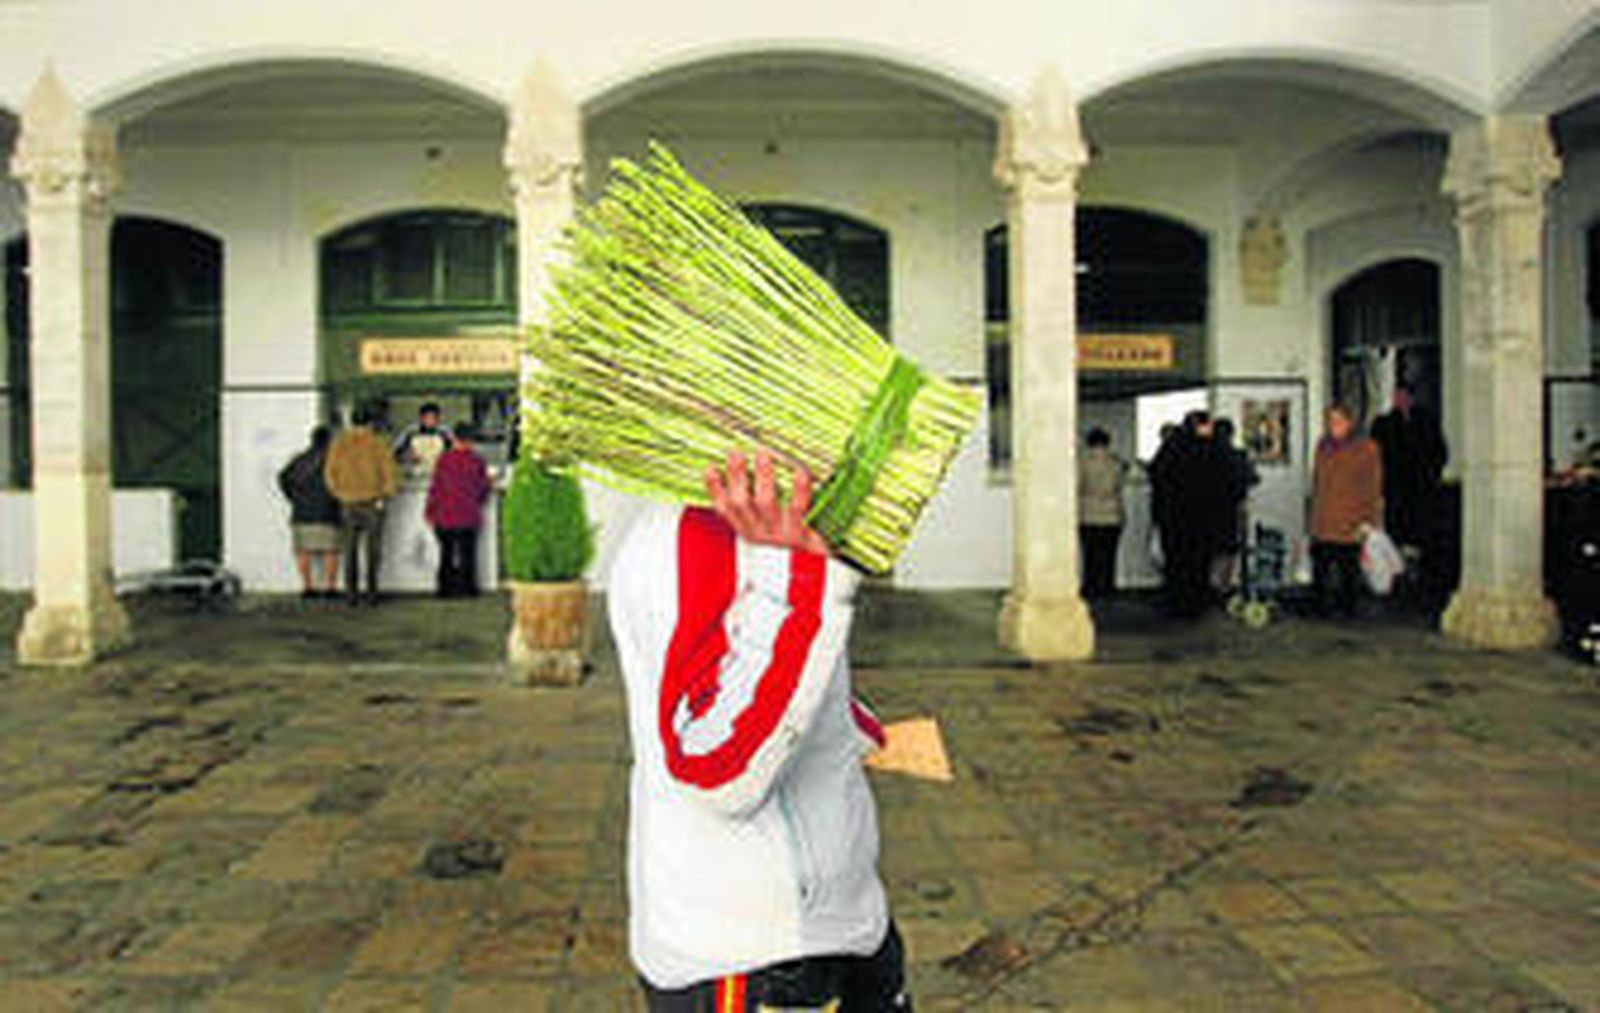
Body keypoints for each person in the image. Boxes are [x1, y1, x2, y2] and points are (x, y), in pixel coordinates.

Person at [611, 449, 911, 1012]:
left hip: (838, 929)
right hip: (764, 956)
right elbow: (717, 768)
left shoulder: (756, 515)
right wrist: (801, 579)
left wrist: (861, 731)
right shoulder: (703, 529)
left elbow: (774, 675)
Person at [1150, 411, 1233, 617]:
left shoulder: (1171, 447)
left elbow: (1157, 476)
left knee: (1176, 563)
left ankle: (1176, 603)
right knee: (1200, 564)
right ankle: (1196, 604)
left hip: (1174, 519)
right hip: (1203, 520)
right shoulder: (1214, 449)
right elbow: (1228, 483)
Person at [1309, 404, 1384, 618]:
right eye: (1329, 420)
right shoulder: (1323, 446)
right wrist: (1313, 520)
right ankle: (1321, 609)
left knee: (1348, 569)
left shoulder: (1367, 448)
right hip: (1323, 521)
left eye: (1337, 420)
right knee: (1321, 569)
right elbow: (1317, 483)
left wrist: (1370, 520)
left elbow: (1373, 486)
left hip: (1351, 522)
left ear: (1349, 422)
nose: (1332, 425)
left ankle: (1347, 609)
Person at [324, 406, 400, 605]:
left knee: (350, 550)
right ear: (370, 423)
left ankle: (351, 595)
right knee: (372, 551)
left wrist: (340, 494)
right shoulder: (378, 443)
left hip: (347, 503)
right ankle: (371, 593)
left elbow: (329, 474)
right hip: (373, 502)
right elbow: (390, 474)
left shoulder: (339, 443)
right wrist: (385, 496)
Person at [1369, 383, 1447, 550]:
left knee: (1421, 530)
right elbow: (1375, 457)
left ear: (1411, 398)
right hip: (1395, 489)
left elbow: (1439, 452)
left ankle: (1417, 563)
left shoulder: (1426, 422)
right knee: (1396, 530)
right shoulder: (1383, 424)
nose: (1400, 400)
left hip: (1421, 488)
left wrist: (1431, 476)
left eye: (1404, 396)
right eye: (1397, 396)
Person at [424, 428, 491, 598]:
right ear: (470, 441)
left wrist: (430, 511)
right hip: (468, 514)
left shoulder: (444, 460)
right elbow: (483, 489)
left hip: (445, 515)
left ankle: (445, 590)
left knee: (446, 554)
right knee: (467, 554)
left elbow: (436, 488)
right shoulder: (477, 461)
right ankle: (467, 589)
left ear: (454, 439)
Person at [276, 425, 341, 598]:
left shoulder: (299, 459)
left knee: (303, 550)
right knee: (330, 551)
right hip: (328, 511)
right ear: (329, 440)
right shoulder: (333, 460)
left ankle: (308, 587)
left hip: (302, 512)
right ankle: (330, 588)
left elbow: (282, 478)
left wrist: (294, 497)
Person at [1210, 417, 1258, 594]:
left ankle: (1210, 586)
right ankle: (1224, 586)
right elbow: (1253, 479)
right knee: (1229, 549)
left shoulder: (1202, 455)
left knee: (1208, 549)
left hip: (1205, 510)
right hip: (1232, 508)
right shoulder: (1238, 455)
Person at [1078, 428, 1127, 599]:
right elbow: (1119, 485)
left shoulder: (1082, 462)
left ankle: (1091, 588)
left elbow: (1078, 486)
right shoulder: (1117, 463)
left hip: (1088, 514)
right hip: (1112, 514)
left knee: (1090, 555)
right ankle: (1107, 588)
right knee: (1109, 555)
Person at [393, 401, 453, 477]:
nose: (429, 421)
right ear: (421, 418)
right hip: (415, 475)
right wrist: (408, 456)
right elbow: (395, 453)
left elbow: (454, 452)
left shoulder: (444, 433)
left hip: (439, 475)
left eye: (433, 418)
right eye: (427, 418)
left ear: (438, 419)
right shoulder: (411, 432)